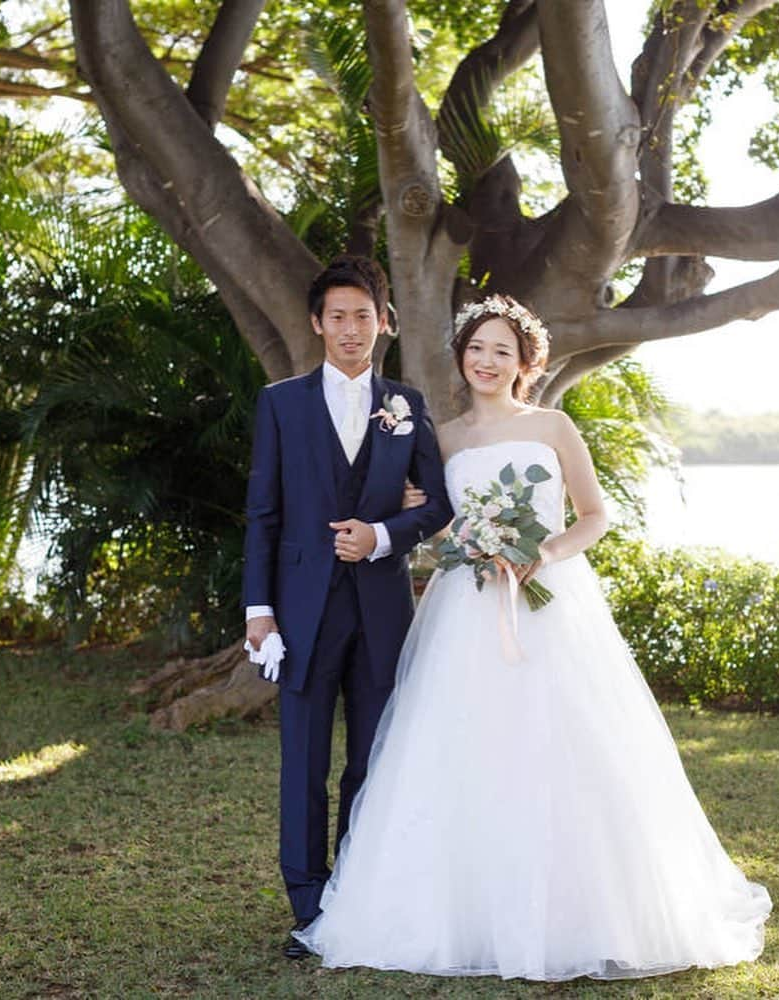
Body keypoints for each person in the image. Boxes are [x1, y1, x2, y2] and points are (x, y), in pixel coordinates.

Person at [294, 294, 772, 981]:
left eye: (502, 352)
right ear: (462, 356)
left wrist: (542, 554)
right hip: (466, 606)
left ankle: (578, 912)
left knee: (565, 746)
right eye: (477, 349)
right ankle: (461, 911)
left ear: (525, 363)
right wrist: (459, 534)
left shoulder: (553, 426)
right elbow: (428, 516)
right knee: (461, 749)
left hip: (552, 607)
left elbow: (594, 515)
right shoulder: (442, 436)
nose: (486, 361)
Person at [242, 255, 453, 958]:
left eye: (364, 315)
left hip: (382, 612)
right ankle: (308, 908)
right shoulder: (280, 403)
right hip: (300, 611)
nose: (351, 329)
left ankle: (358, 895)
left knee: (372, 761)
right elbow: (263, 515)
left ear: (383, 322)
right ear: (317, 323)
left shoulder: (407, 406)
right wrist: (258, 611)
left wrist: (384, 535)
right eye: (338, 316)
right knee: (302, 765)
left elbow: (439, 505)